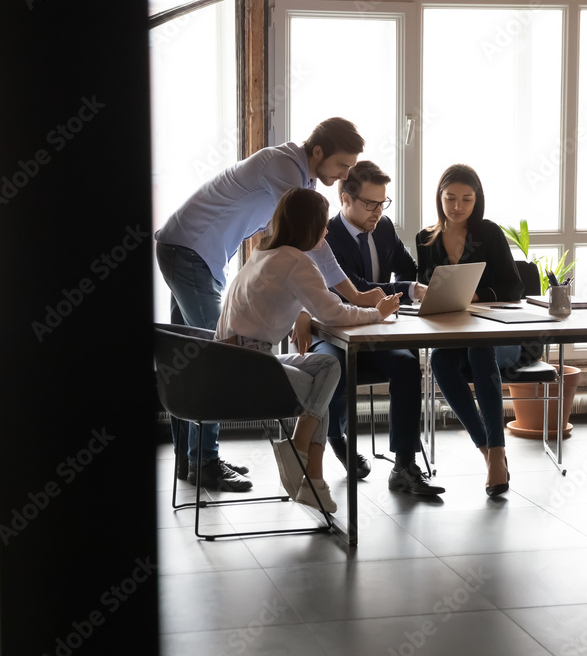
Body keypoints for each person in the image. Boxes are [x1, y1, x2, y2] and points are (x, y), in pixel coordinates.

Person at [156, 118, 384, 491]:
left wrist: (306, 308)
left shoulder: (303, 176)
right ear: (318, 152)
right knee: (219, 357)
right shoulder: (283, 167)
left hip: (192, 250)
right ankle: (206, 462)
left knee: (191, 358)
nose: (345, 174)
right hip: (191, 249)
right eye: (342, 165)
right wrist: (356, 297)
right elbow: (311, 242)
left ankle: (191, 460)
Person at [215, 188, 401, 512]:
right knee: (326, 374)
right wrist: (377, 313)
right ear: (309, 226)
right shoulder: (296, 261)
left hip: (228, 364)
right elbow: (335, 313)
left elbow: (300, 302)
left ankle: (313, 477)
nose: (327, 231)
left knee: (325, 372)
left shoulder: (264, 252)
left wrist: (304, 312)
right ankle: (299, 452)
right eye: (322, 225)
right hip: (249, 371)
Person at [306, 161, 444, 496]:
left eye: (383, 203)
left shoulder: (383, 228)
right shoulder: (326, 236)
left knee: (408, 364)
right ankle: (337, 438)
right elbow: (355, 287)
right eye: (370, 203)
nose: (377, 211)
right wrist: (408, 289)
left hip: (375, 335)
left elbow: (408, 268)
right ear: (345, 198)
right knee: (331, 367)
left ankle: (404, 466)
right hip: (333, 333)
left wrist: (432, 280)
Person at [415, 164, 524, 496]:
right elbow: (424, 286)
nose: (458, 206)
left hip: (496, 337)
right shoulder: (425, 238)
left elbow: (514, 289)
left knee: (481, 349)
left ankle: (498, 453)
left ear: (478, 200)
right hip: (452, 335)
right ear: (439, 198)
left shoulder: (489, 233)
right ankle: (488, 451)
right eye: (450, 198)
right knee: (439, 363)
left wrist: (476, 295)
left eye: (466, 199)